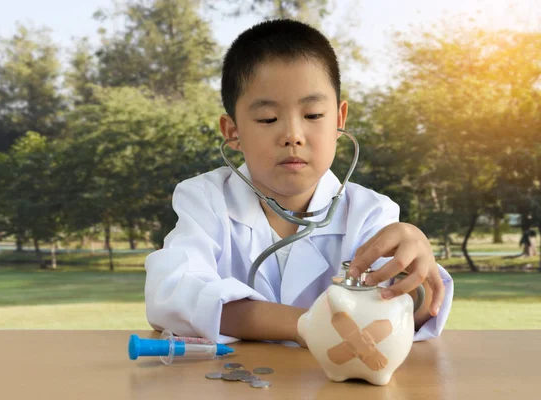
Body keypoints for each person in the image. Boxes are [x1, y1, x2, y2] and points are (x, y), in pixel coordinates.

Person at [145, 19, 453, 345]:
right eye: (268, 118)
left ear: (339, 120)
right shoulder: (205, 199)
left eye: (313, 115)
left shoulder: (370, 213)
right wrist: (310, 324)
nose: (293, 135)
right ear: (232, 132)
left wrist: (416, 279)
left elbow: (405, 311)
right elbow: (174, 295)